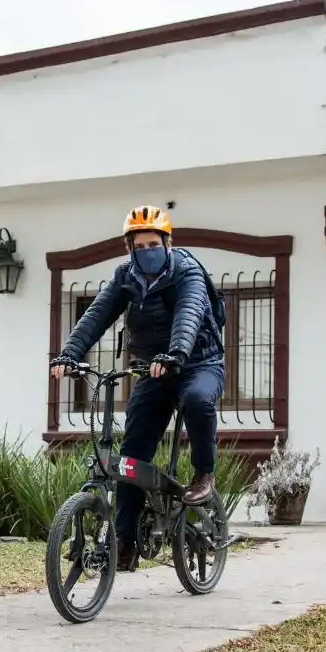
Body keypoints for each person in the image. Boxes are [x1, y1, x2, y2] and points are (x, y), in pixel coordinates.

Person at [49, 205, 225, 571]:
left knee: (196, 399)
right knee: (129, 459)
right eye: (138, 245)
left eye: (152, 243)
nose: (146, 251)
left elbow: (189, 313)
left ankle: (203, 474)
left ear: (168, 243)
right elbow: (97, 314)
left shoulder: (187, 271)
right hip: (154, 370)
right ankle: (124, 541)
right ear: (128, 248)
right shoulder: (125, 276)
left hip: (198, 363)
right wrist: (69, 354)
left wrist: (177, 353)